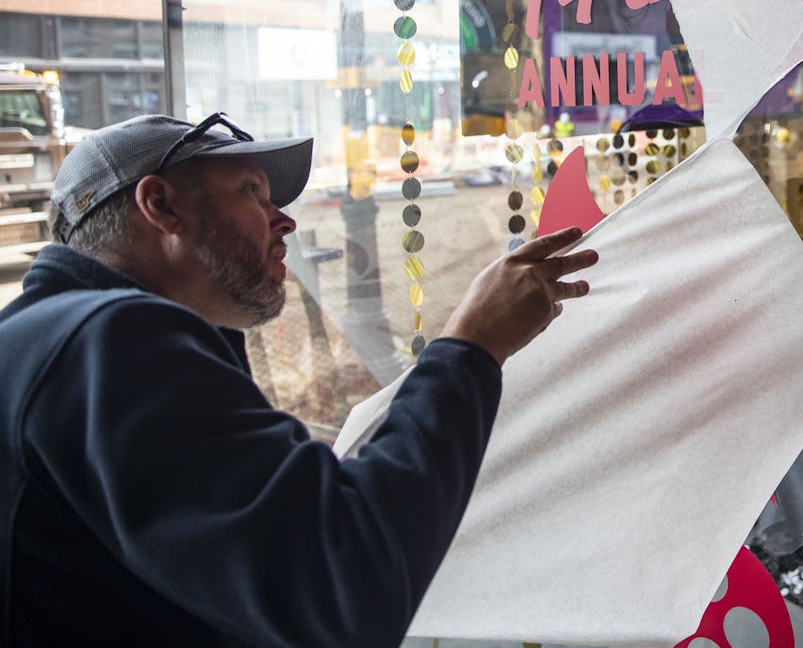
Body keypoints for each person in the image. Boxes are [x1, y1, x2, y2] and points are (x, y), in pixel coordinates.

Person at [0, 112, 597, 647]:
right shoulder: (111, 342)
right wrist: (472, 345)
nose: (282, 221)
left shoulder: (54, 344)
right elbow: (344, 583)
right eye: (253, 193)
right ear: (161, 206)